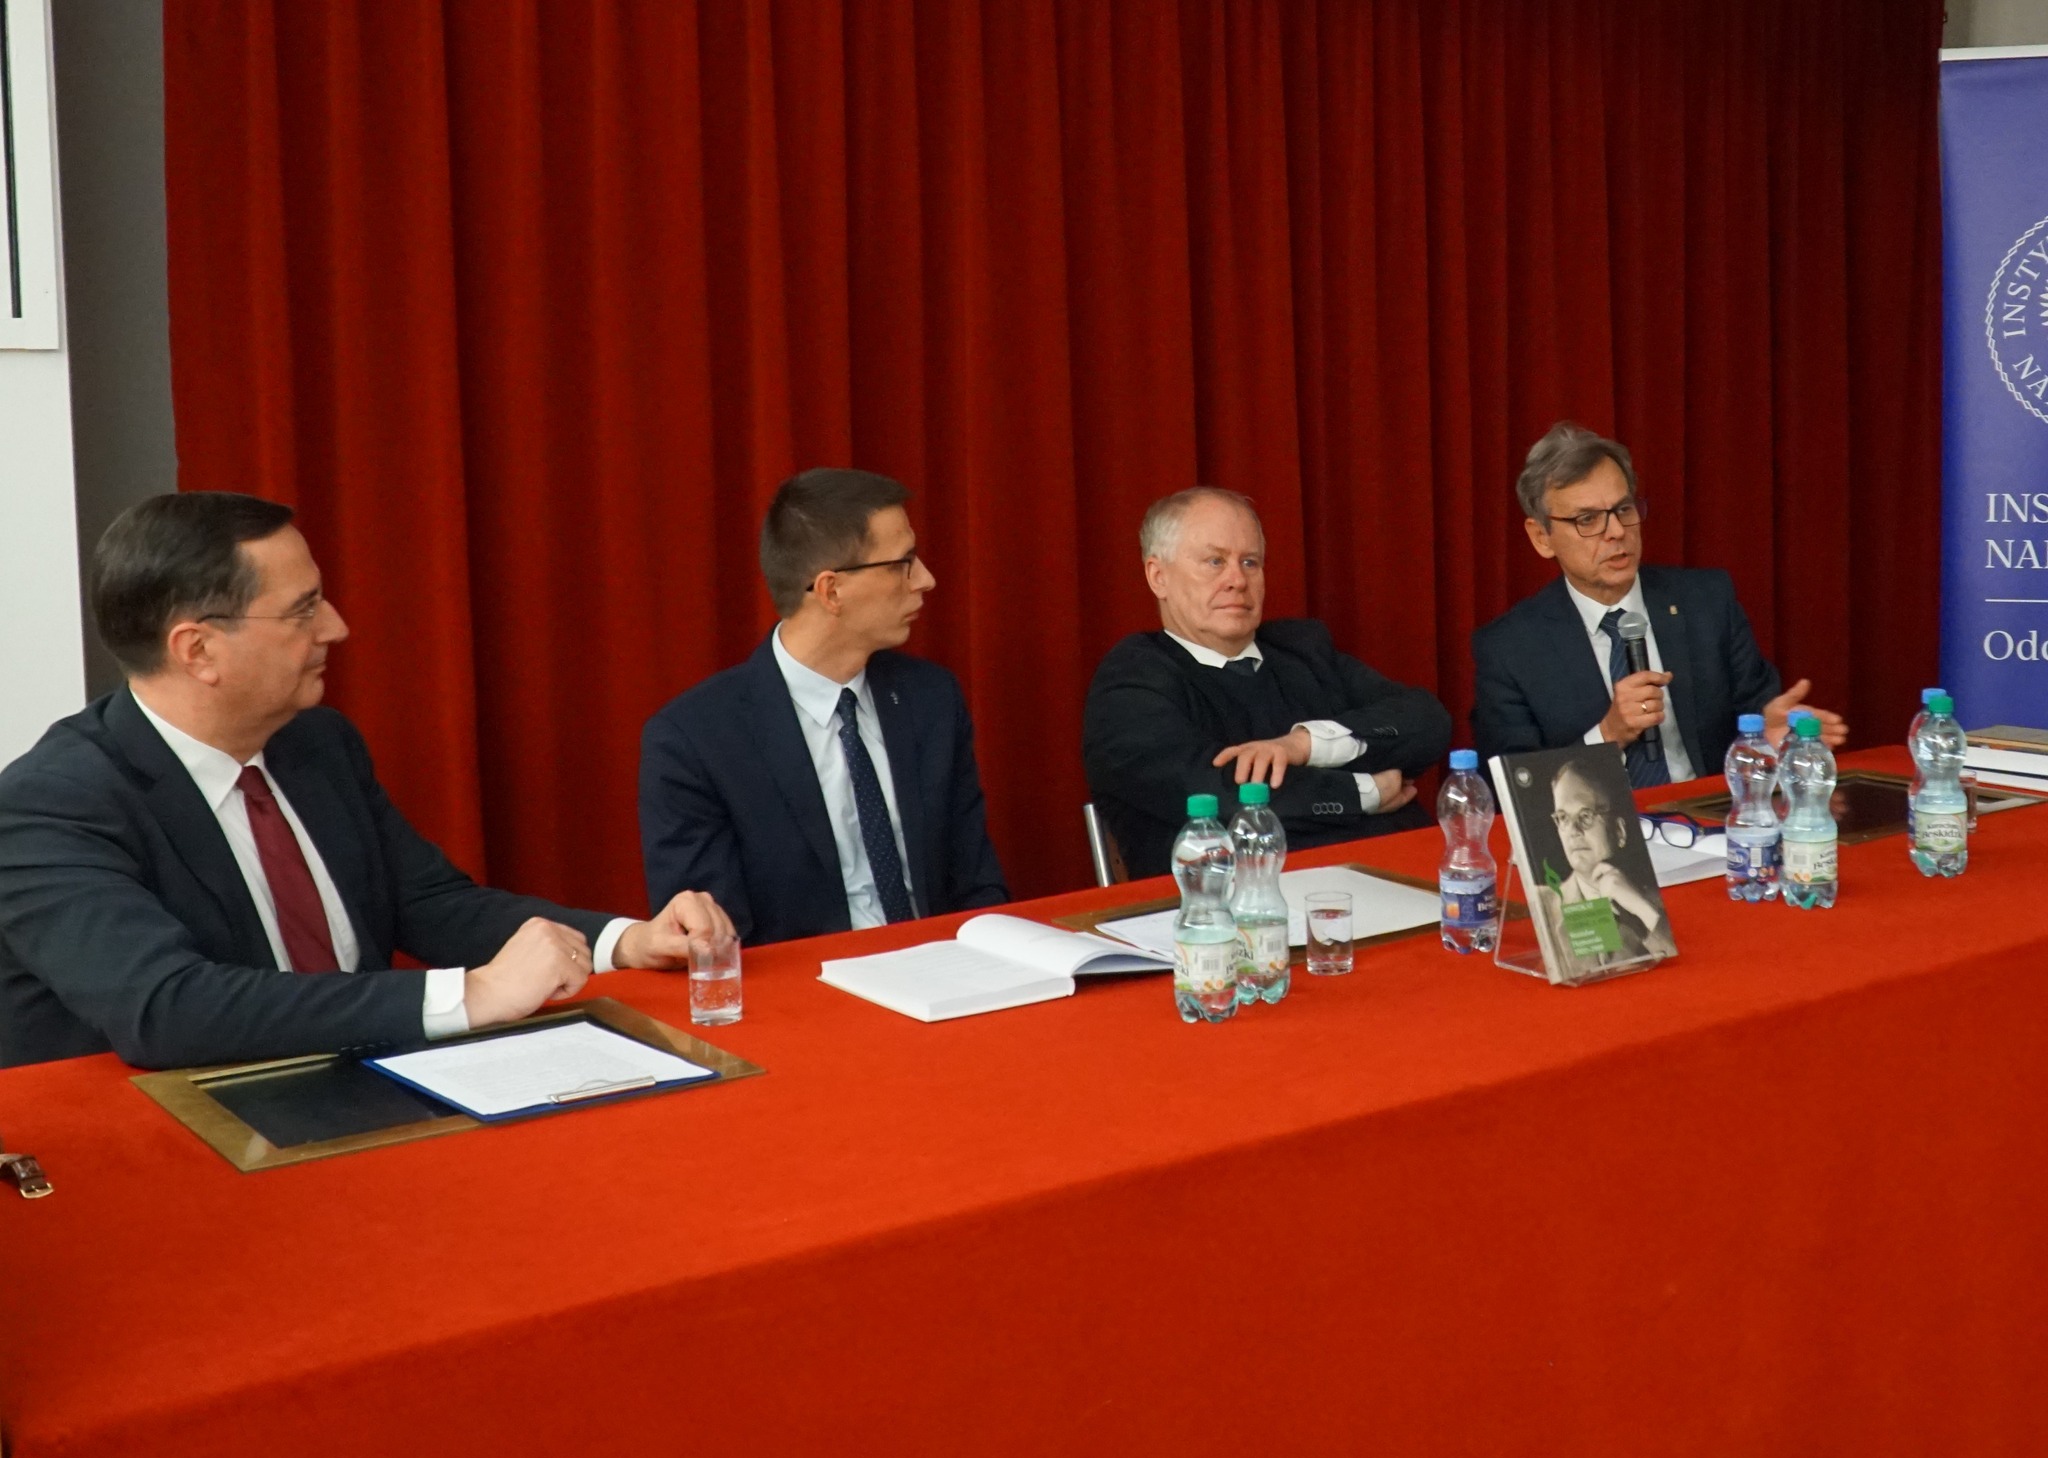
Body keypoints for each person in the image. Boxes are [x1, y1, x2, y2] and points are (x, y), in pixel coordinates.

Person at [0, 493, 735, 1071]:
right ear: (198, 651)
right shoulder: (49, 805)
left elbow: (430, 904)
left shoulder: (317, 745)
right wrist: (472, 994)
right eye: (302, 610)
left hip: (359, 1091)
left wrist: (624, 942)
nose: (336, 628)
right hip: (161, 1148)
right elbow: (167, 1009)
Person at [639, 468, 1007, 946]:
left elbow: (976, 883)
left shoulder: (930, 698)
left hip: (945, 967)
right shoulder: (695, 741)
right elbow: (713, 943)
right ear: (832, 590)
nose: (926, 579)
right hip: (804, 984)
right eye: (903, 563)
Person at [1083, 487, 1452, 879]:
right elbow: (1221, 795)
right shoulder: (1130, 681)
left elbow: (1426, 722)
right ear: (1158, 577)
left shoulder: (1302, 648)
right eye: (1214, 561)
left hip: (1404, 876)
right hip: (1240, 900)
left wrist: (1302, 745)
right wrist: (1365, 792)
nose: (1237, 580)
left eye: (1250, 562)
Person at [1471, 421, 1848, 782]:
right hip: (1596, 826)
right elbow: (1516, 785)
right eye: (1587, 520)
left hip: (1704, 816)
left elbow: (1755, 716)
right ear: (1542, 537)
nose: (1616, 532)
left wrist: (1767, 736)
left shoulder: (1707, 603)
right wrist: (1608, 734)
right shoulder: (1509, 649)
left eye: (1623, 510)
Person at [1536, 758, 1676, 979]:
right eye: (1563, 818)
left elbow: (1685, 966)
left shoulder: (1656, 902)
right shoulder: (1541, 905)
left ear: (1619, 831)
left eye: (1585, 815)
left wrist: (1643, 909)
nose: (1573, 831)